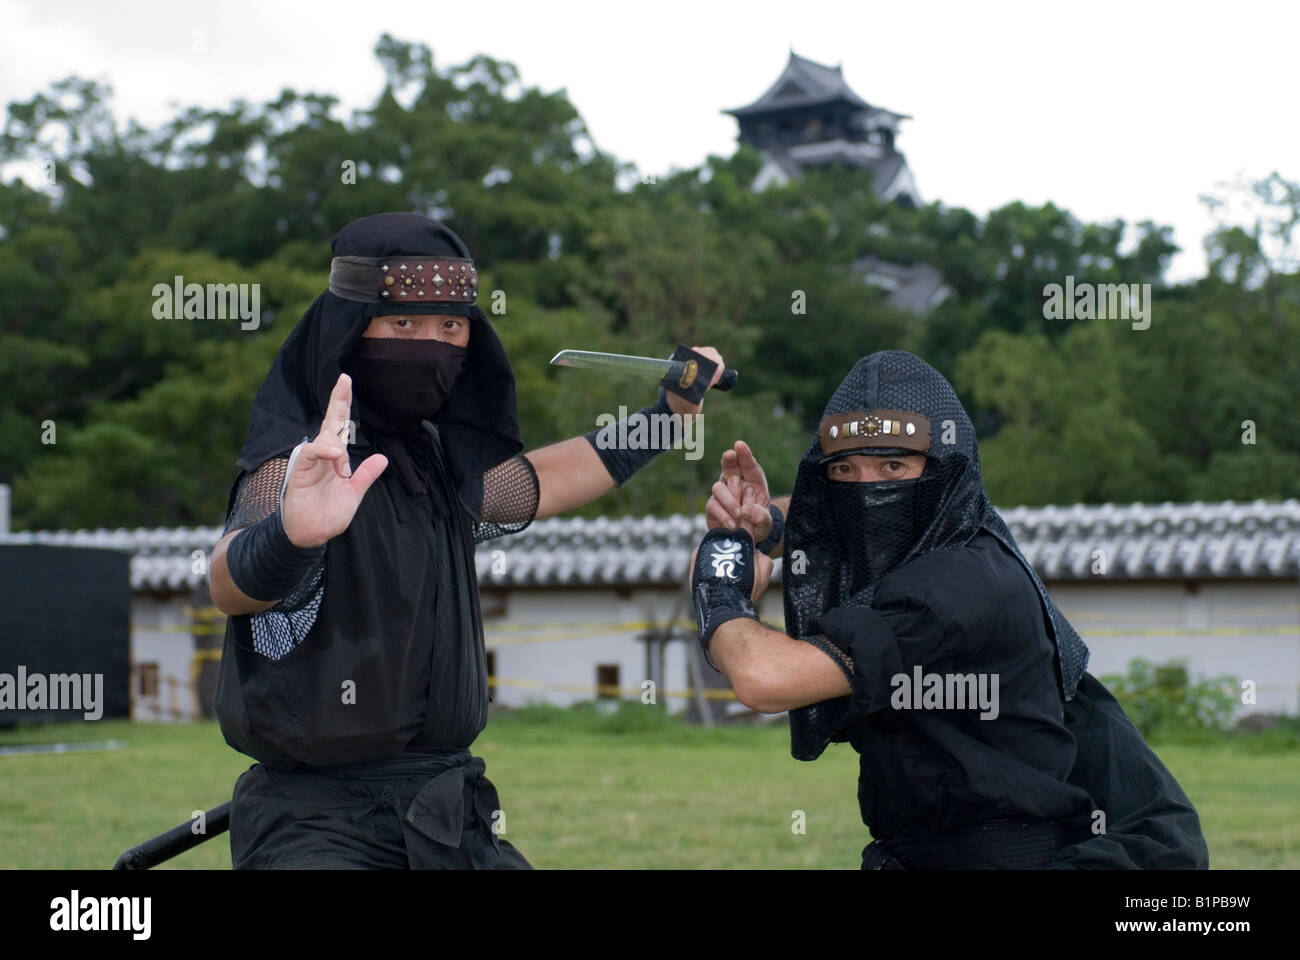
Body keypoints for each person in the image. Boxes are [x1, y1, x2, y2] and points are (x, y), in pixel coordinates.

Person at [208, 211, 723, 869]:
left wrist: (665, 419)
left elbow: (541, 479)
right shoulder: (298, 463)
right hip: (317, 826)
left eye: (450, 327)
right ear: (348, 331)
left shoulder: (438, 467)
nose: (432, 344)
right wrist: (290, 536)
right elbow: (228, 583)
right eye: (403, 325)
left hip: (445, 812)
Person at [691, 349, 1208, 869]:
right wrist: (766, 524)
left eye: (894, 465)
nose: (868, 491)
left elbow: (766, 679)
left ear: (943, 472)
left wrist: (719, 587)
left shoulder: (952, 590)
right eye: (845, 469)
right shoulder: (963, 534)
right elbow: (841, 515)